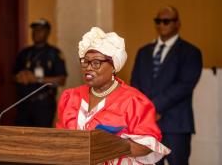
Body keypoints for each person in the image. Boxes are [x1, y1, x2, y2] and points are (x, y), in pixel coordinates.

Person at [56, 27, 170, 165]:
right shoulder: (71, 97)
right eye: (85, 61)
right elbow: (60, 139)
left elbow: (146, 147)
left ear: (114, 66)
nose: (89, 67)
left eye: (96, 63)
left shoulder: (133, 100)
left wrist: (111, 145)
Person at [130, 6, 202, 165]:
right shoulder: (143, 52)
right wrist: (146, 110)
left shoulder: (190, 52)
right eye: (158, 21)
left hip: (175, 123)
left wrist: (154, 107)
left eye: (167, 21)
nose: (162, 25)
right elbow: (135, 84)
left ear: (178, 23)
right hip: (147, 124)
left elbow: (185, 85)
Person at [13, 18, 67, 127]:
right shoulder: (25, 53)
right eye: (34, 30)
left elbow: (61, 80)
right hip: (23, 103)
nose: (36, 33)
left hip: (44, 104)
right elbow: (13, 75)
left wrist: (37, 79)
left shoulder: (54, 53)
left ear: (47, 32)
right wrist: (21, 77)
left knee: (42, 137)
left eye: (40, 30)